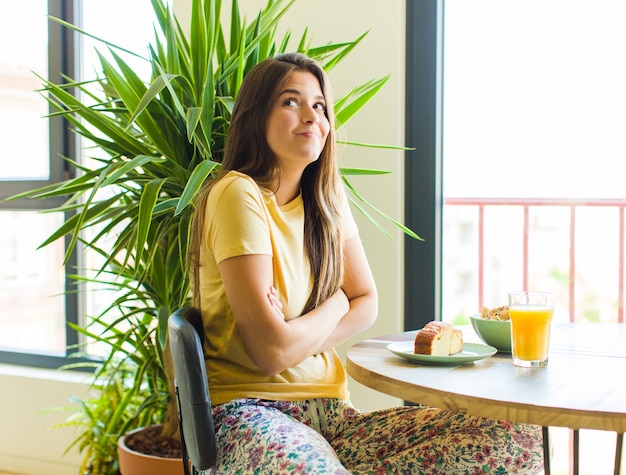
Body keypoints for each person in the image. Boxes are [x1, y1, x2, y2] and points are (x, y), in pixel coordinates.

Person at [188, 52, 543, 474]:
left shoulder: (327, 198)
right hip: (250, 413)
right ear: (255, 116)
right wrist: (337, 303)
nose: (310, 116)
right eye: (290, 102)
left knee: (515, 436)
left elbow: (367, 302)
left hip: (334, 417)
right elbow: (270, 352)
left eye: (319, 106)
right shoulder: (238, 193)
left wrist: (294, 335)